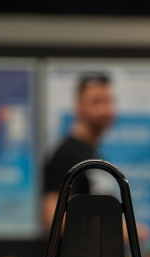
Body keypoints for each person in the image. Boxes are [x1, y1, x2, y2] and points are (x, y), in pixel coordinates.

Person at [41, 72, 116, 228]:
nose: (104, 110)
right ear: (79, 105)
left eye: (108, 101)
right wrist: (120, 229)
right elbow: (54, 218)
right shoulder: (67, 154)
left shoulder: (93, 153)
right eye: (96, 102)